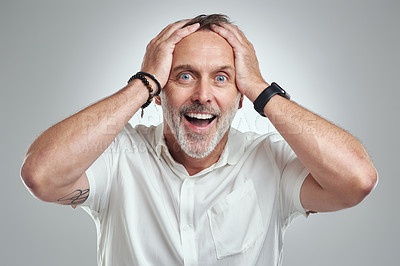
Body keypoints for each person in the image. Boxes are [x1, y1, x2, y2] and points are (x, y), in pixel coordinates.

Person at [21, 14, 377, 266]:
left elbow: (357, 180)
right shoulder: (118, 156)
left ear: (240, 96)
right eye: (185, 75)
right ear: (159, 91)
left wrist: (260, 89)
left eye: (222, 78)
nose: (203, 95)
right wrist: (141, 83)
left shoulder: (271, 162)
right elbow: (41, 175)